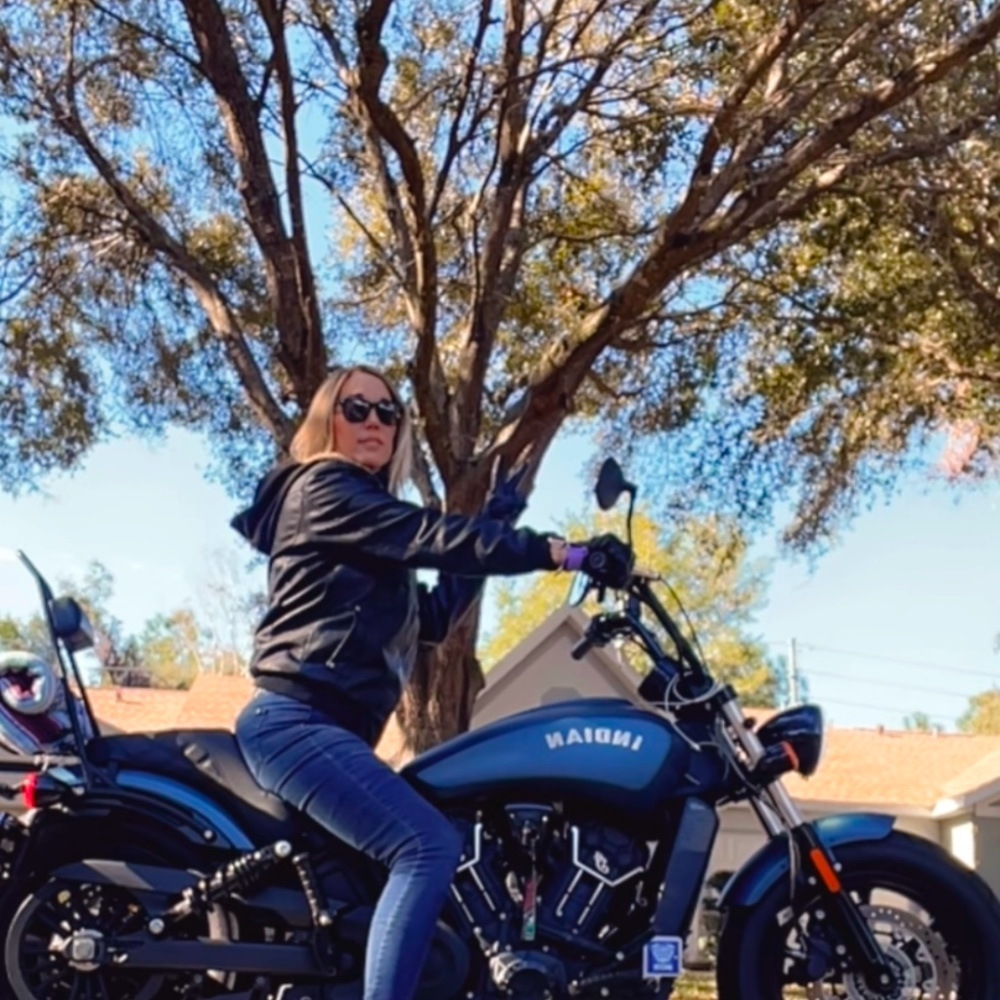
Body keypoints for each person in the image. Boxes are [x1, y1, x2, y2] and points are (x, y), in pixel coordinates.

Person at [231, 364, 586, 1000]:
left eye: (388, 412)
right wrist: (557, 552)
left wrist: (499, 516)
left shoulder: (362, 531)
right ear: (327, 420)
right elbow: (432, 536)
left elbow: (437, 617)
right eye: (356, 408)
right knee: (426, 846)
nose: (374, 421)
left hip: (329, 732)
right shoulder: (324, 487)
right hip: (295, 721)